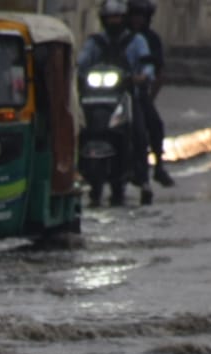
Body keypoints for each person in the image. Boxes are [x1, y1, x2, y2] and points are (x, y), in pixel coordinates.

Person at [79, 0, 156, 205]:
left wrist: (142, 76)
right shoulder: (95, 42)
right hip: (96, 97)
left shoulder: (136, 40)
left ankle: (143, 178)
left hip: (127, 96)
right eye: (110, 18)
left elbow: (148, 65)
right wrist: (77, 72)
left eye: (118, 17)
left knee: (139, 132)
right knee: (77, 127)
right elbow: (82, 61)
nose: (114, 21)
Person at [127, 0, 174, 187]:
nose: (137, 20)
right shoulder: (113, 37)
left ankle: (158, 166)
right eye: (134, 15)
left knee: (154, 124)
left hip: (138, 92)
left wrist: (149, 95)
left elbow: (158, 72)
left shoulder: (149, 40)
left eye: (141, 16)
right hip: (110, 91)